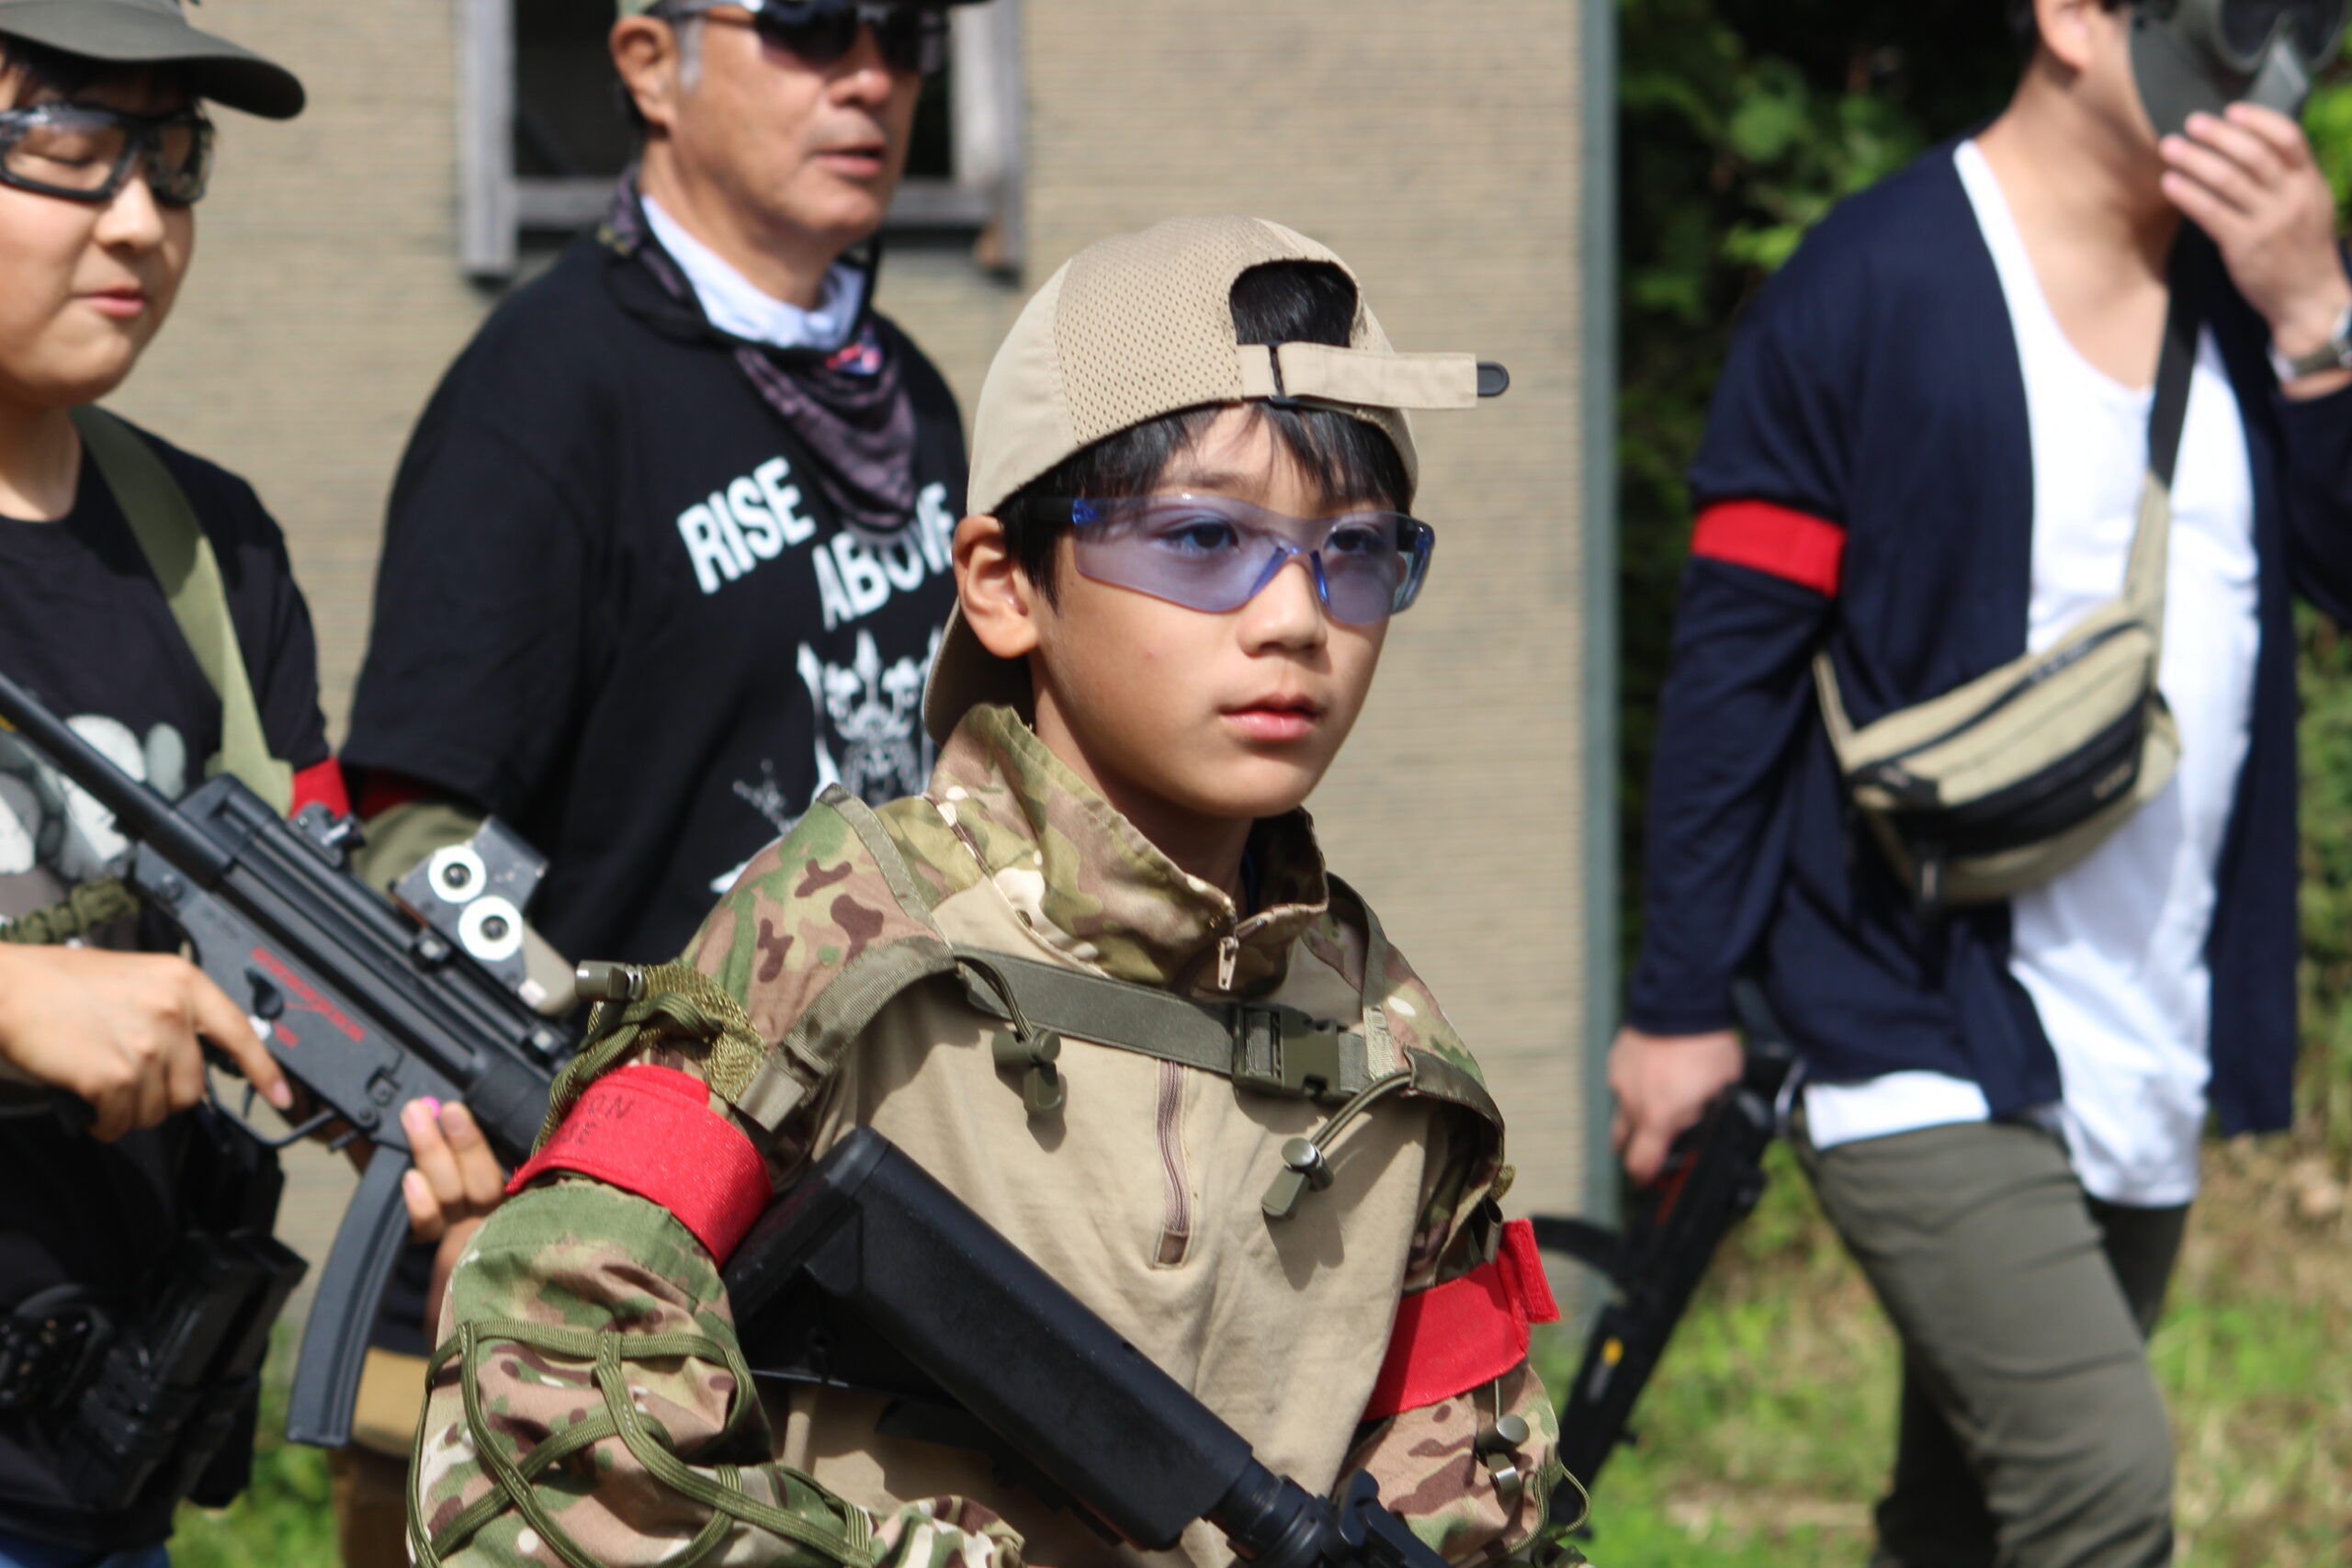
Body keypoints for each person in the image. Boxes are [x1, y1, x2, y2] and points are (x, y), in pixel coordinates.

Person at [407, 215, 1568, 1568]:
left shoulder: (1387, 1046)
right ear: (1005, 585)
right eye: (1203, 539)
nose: (1296, 618)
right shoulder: (836, 935)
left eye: (1357, 551)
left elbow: (1484, 1505)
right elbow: (538, 1426)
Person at [1609, 0, 2352, 1563]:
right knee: (2100, 1489)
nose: (2279, 71)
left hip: (2144, 1027)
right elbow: (1737, 671)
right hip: (1906, 1006)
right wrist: (1680, 1000)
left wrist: (2316, 323)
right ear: (2075, 15)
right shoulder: (1870, 286)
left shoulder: (2254, 298)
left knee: (1963, 1527)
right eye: (2237, 22)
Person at [0, 4, 329, 1562]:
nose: (140, 217)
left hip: (99, 1479)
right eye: (70, 143)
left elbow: (316, 914)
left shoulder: (213, 546)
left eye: (175, 156)